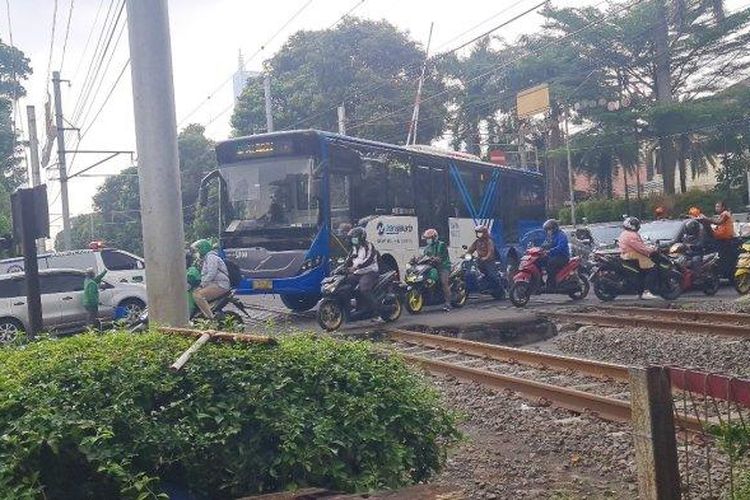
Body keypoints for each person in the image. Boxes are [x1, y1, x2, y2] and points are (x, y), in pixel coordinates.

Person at [191, 239, 231, 320]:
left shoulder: (211, 257)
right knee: (195, 292)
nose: (197, 253)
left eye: (198, 250)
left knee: (197, 295)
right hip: (215, 284)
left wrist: (202, 284)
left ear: (203, 248)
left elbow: (211, 273)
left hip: (220, 284)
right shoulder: (206, 258)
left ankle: (210, 318)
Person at [346, 227, 379, 312]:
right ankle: (357, 307)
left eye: (355, 238)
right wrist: (343, 266)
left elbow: (369, 260)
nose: (353, 240)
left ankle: (376, 309)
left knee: (364, 288)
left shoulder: (369, 246)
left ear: (361, 237)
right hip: (358, 273)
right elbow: (349, 259)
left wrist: (357, 267)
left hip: (370, 272)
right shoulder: (354, 248)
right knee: (345, 283)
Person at [422, 228, 452, 311]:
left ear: (434, 238)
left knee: (444, 283)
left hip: (443, 266)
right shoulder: (427, 248)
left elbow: (440, 257)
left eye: (429, 238)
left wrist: (434, 259)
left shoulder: (441, 245)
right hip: (432, 267)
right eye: (427, 238)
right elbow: (424, 257)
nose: (428, 240)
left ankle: (448, 303)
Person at [467, 225, 501, 289]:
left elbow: (490, 251)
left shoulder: (489, 241)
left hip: (489, 261)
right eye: (478, 232)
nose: (479, 234)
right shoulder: (477, 241)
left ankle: (500, 288)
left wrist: (486, 257)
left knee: (492, 275)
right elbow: (471, 250)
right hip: (479, 261)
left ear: (485, 232)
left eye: (480, 232)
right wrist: (466, 254)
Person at [541, 219, 570, 289]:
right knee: (539, 261)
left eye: (549, 229)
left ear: (554, 228)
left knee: (551, 264)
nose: (548, 231)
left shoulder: (561, 235)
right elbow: (544, 245)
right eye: (547, 230)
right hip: (553, 255)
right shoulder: (550, 236)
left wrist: (549, 251)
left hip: (562, 256)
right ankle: (540, 282)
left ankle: (552, 284)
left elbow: (560, 247)